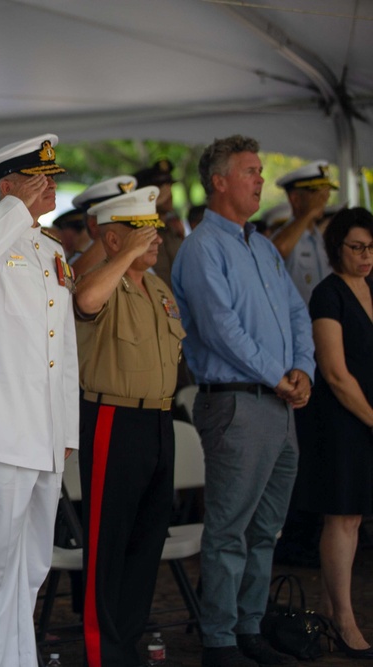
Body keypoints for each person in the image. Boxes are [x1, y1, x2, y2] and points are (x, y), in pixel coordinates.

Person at [172, 135, 315, 667]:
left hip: (279, 403)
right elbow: (219, 327)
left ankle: (250, 626)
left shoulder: (261, 246)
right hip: (235, 402)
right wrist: (279, 374)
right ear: (220, 181)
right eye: (251, 170)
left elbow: (297, 315)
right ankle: (219, 639)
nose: (261, 179)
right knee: (230, 528)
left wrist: (304, 370)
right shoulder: (202, 248)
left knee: (267, 527)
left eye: (258, 170)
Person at [0, 133, 78, 667]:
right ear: (8, 188)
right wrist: (13, 209)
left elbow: (63, 350)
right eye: (39, 179)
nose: (51, 187)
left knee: (31, 569)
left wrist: (67, 432)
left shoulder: (52, 251)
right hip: (0, 434)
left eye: (52, 178)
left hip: (45, 435)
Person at [74, 186, 184, 667]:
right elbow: (86, 297)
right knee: (109, 542)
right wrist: (127, 254)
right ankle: (104, 653)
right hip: (113, 418)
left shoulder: (157, 289)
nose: (154, 238)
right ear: (114, 240)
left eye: (156, 229)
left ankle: (130, 644)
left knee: (147, 541)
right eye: (143, 231)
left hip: (160, 420)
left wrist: (139, 252)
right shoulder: (103, 281)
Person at [293, 207, 373, 659]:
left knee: (357, 518)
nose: (365, 257)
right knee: (341, 517)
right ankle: (342, 619)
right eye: (356, 247)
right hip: (341, 419)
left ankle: (331, 607)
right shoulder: (329, 294)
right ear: (336, 248)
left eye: (371, 248)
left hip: (366, 414)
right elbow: (335, 373)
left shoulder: (371, 287)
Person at [271, 161, 337, 304]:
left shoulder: (319, 239)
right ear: (295, 199)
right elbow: (279, 249)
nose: (324, 198)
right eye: (316, 192)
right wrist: (309, 213)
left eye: (326, 191)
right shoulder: (286, 237)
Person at [68, 175, 138, 277]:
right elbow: (75, 278)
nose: (133, 224)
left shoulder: (137, 252)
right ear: (93, 225)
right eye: (122, 219)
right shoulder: (80, 263)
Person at [135, 158, 184, 289]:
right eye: (160, 189)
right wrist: (150, 205)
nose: (168, 194)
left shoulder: (173, 229)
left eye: (169, 187)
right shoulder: (137, 231)